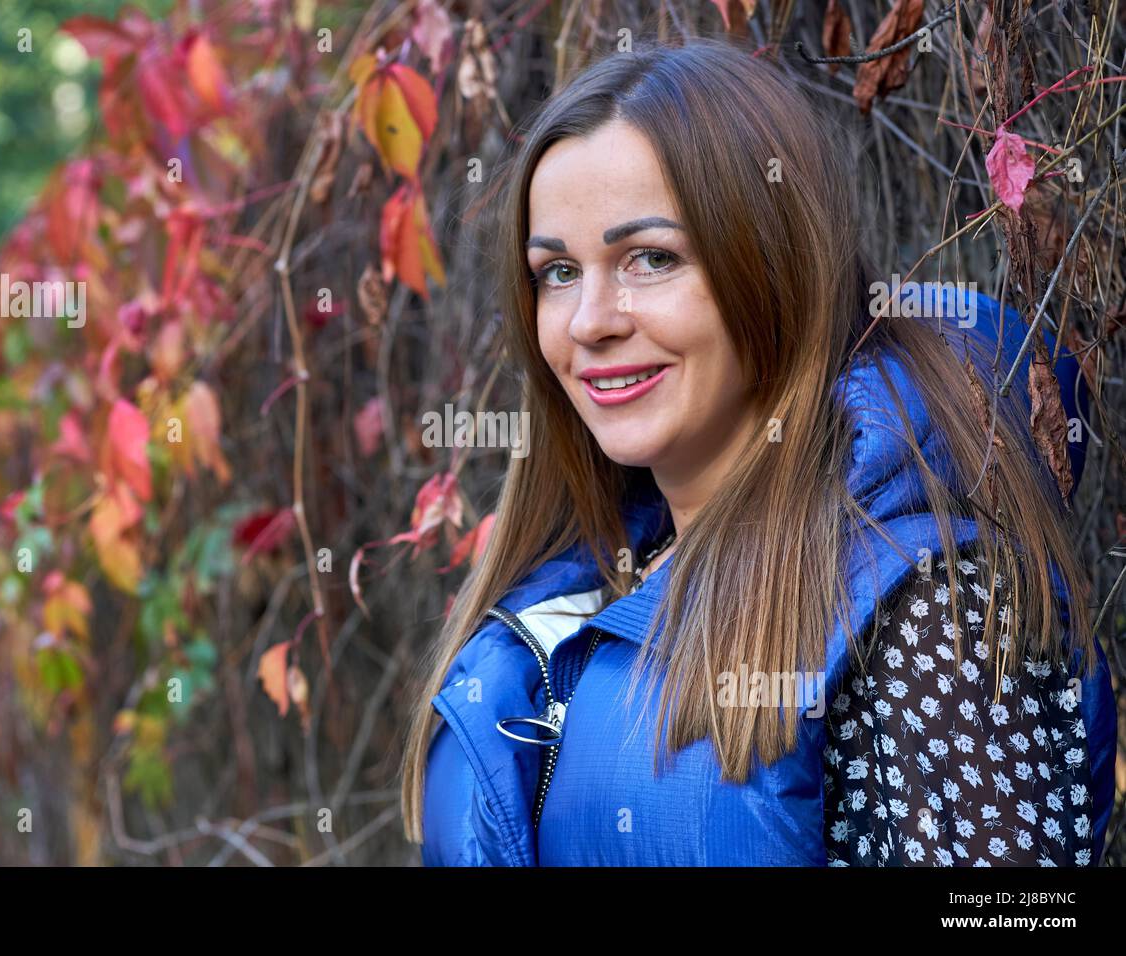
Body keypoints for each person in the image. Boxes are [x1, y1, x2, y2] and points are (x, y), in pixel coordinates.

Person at [398, 37, 1117, 866]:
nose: (590, 319)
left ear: (772, 268)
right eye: (557, 271)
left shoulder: (929, 611)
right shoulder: (579, 594)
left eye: (651, 258)